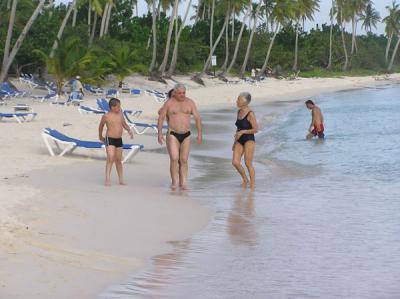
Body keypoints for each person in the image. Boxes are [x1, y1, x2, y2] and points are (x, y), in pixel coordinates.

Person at [157, 84, 202, 190]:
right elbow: (161, 117)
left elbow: (197, 118)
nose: (182, 95)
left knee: (184, 159)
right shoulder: (169, 103)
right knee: (174, 158)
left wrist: (200, 133)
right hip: (173, 133)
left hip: (186, 134)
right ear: (175, 93)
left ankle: (184, 182)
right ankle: (174, 182)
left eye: (184, 93)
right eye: (180, 93)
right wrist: (159, 133)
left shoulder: (190, 102)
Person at [98, 98, 134, 186]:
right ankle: (107, 179)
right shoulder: (106, 116)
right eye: (118, 106)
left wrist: (129, 130)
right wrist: (100, 136)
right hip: (110, 138)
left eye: (120, 106)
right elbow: (101, 126)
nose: (119, 108)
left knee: (118, 159)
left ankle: (121, 180)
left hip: (118, 139)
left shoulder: (120, 115)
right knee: (110, 157)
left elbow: (124, 124)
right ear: (112, 107)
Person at [232, 92, 258, 189]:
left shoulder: (250, 114)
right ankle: (245, 179)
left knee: (248, 163)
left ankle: (252, 184)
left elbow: (256, 129)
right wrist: (234, 143)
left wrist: (243, 132)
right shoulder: (239, 112)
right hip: (239, 139)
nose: (237, 101)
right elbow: (238, 129)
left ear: (245, 102)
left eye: (239, 99)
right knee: (235, 162)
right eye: (237, 99)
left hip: (249, 139)